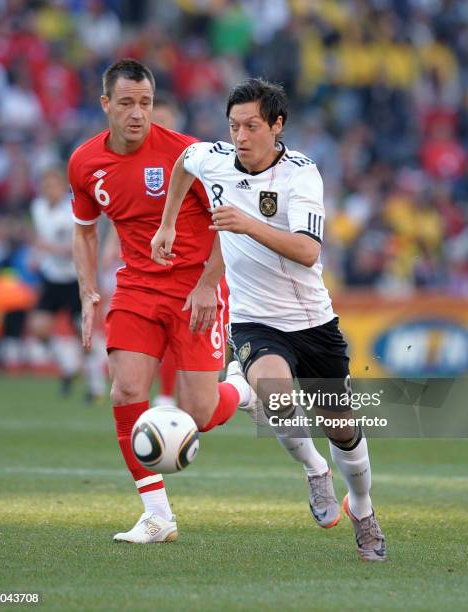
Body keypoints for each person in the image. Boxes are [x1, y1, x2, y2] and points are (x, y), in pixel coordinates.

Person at [152, 78, 386, 561]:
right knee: (276, 399)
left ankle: (362, 508)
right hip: (255, 320)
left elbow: (307, 250)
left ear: (277, 126)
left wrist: (247, 223)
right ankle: (315, 471)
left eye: (252, 126)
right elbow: (182, 163)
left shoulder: (301, 175)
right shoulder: (212, 158)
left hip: (313, 322)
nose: (240, 135)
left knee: (340, 425)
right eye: (234, 125)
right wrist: (168, 222)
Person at [69, 59, 254, 545]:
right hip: (136, 288)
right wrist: (88, 289)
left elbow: (228, 225)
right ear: (106, 104)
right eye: (127, 103)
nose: (137, 114)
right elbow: (85, 230)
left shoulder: (189, 155)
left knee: (200, 412)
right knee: (126, 392)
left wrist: (209, 284)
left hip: (196, 287)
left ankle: (243, 390)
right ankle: (157, 515)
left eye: (146, 103)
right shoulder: (85, 163)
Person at [100, 91, 185, 407]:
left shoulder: (191, 157)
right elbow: (123, 212)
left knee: (200, 400)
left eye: (165, 120)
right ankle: (163, 397)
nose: (157, 126)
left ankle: (237, 384)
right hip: (144, 266)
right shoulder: (136, 161)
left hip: (188, 264)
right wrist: (111, 244)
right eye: (155, 120)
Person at [28, 167, 106, 400]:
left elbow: (82, 242)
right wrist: (39, 254)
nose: (49, 189)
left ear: (62, 187)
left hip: (75, 279)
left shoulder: (70, 211)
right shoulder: (38, 207)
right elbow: (41, 237)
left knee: (84, 336)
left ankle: (96, 385)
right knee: (39, 328)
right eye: (45, 185)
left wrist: (51, 249)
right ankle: (68, 367)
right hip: (52, 277)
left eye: (53, 185)